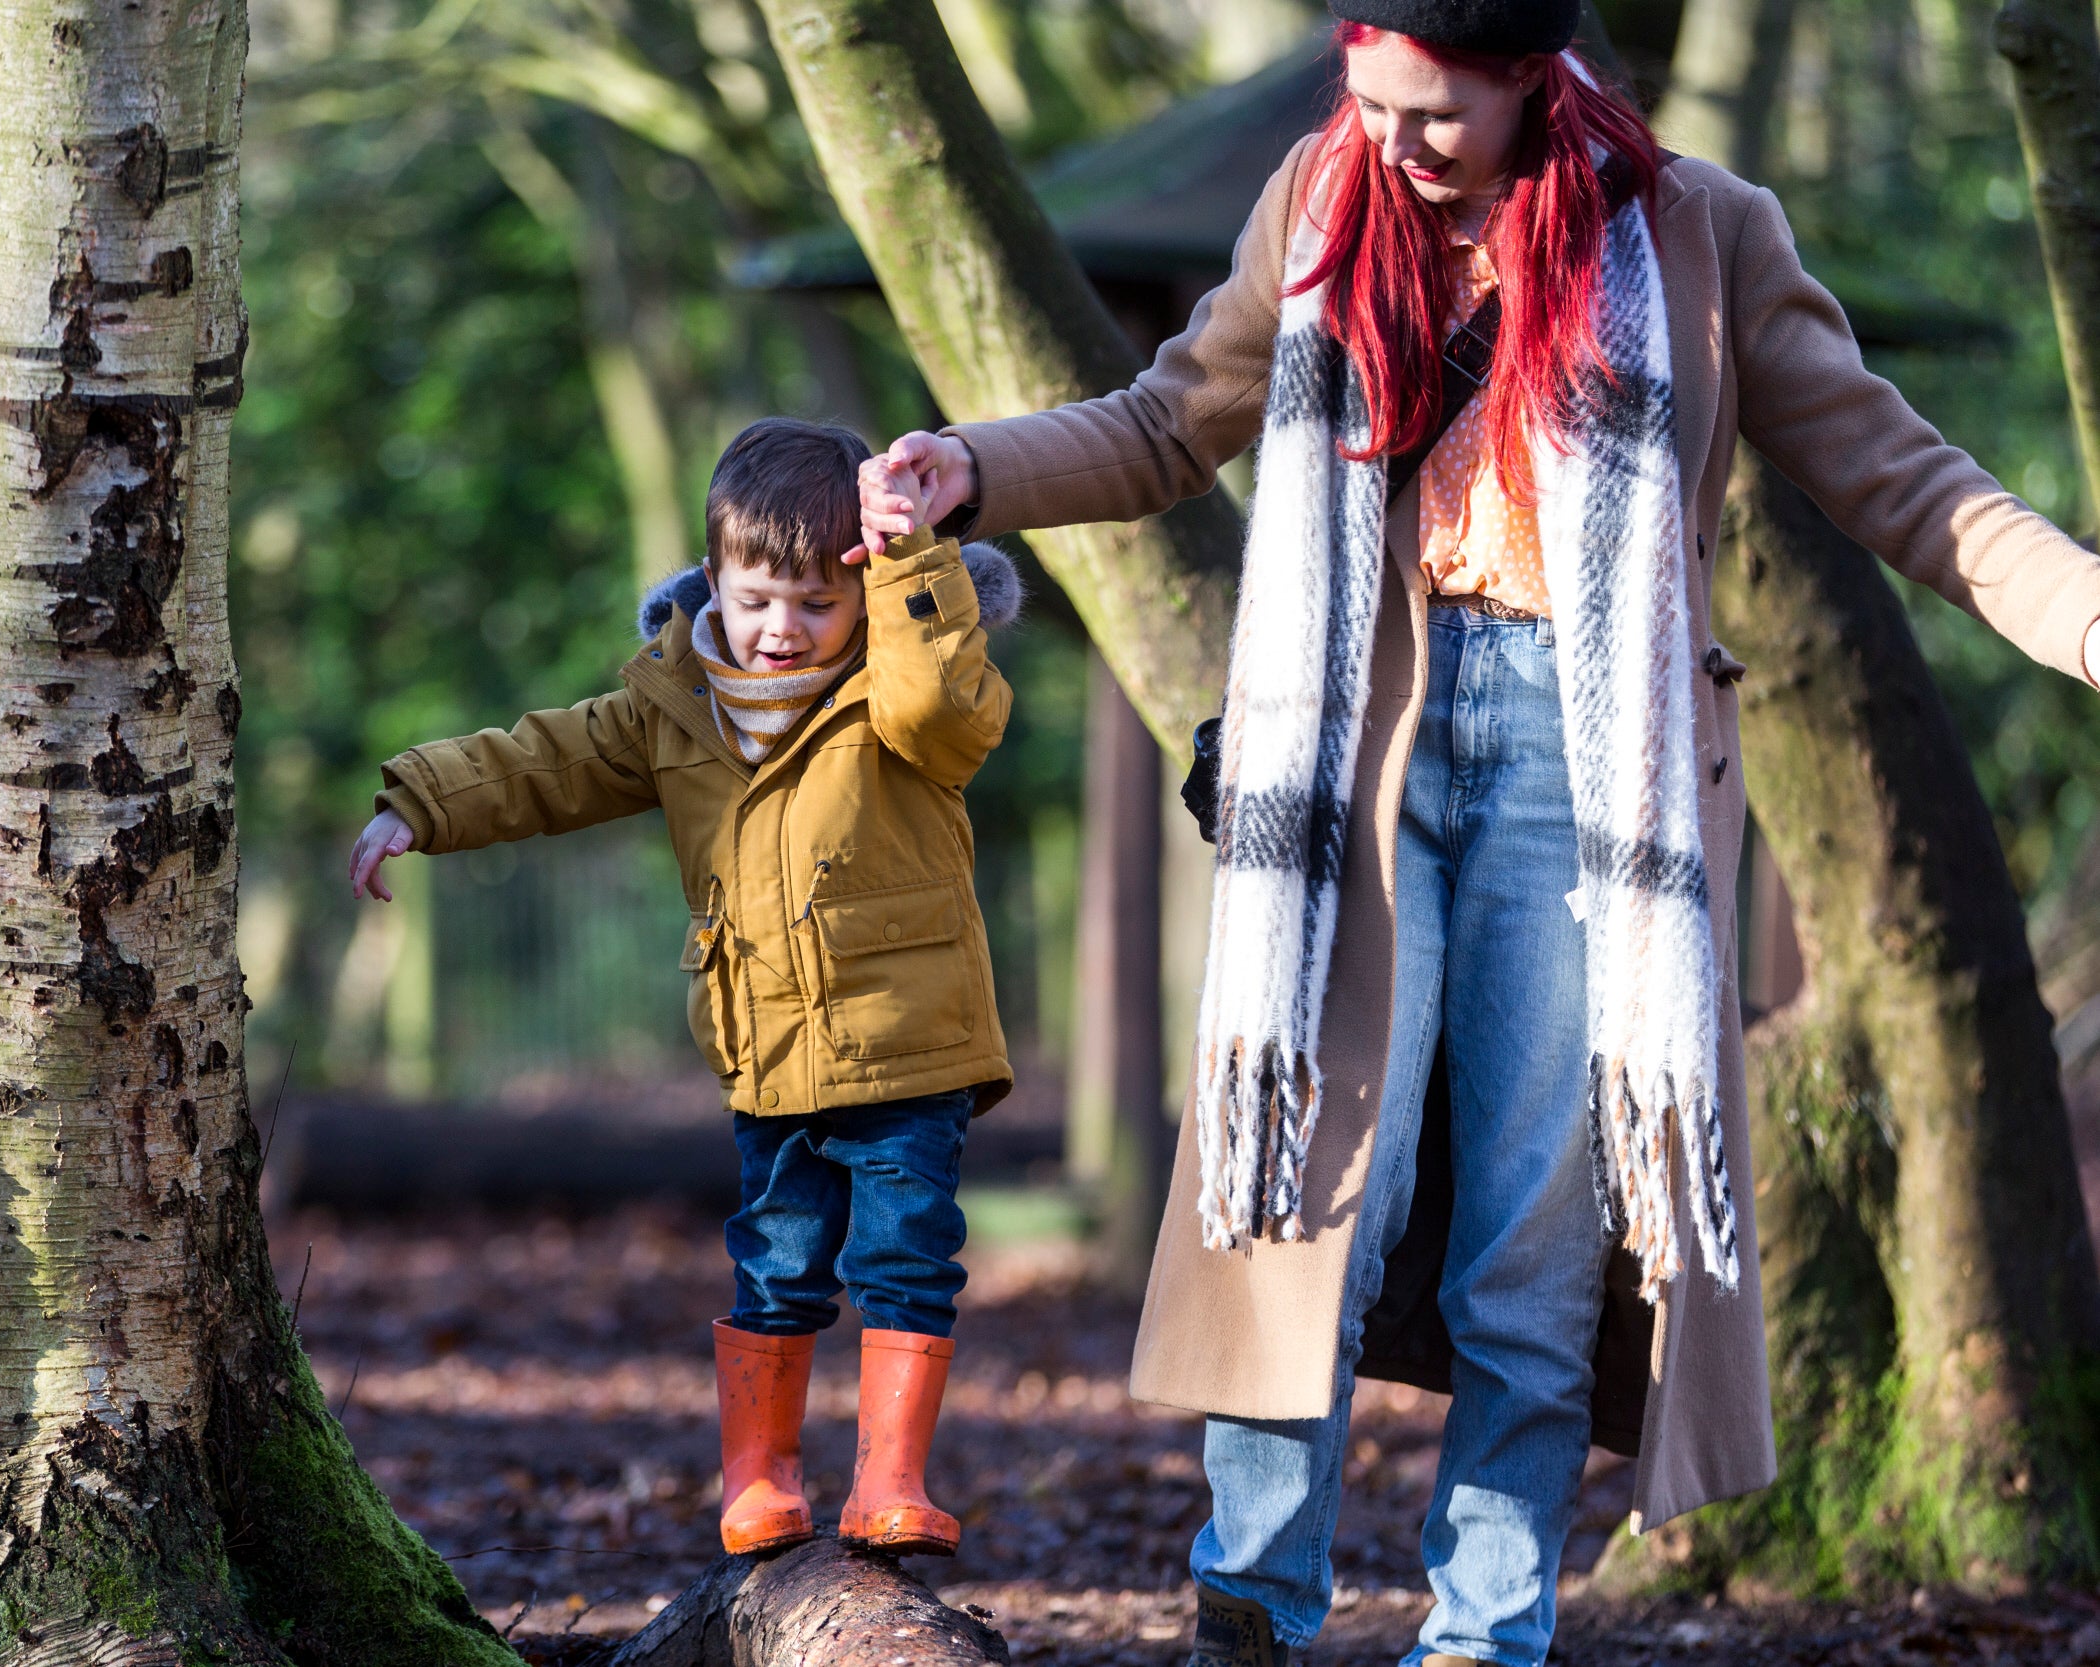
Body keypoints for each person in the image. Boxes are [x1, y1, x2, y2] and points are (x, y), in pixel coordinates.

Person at [857, 2, 2100, 1661]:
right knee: (1307, 1182)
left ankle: (1488, 1630)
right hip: (1356, 747)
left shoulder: (1698, 232)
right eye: (1371, 104)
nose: (1397, 143)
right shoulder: (1322, 198)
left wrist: (2081, 610)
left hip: (1597, 774)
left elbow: (1905, 478)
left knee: (1536, 1236)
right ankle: (1256, 1584)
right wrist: (970, 467)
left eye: (1435, 115)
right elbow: (1170, 422)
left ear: (1533, 84)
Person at [351, 417, 1023, 1558]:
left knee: (906, 1254)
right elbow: (547, 761)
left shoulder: (903, 677)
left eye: (816, 603)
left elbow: (943, 718)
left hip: (912, 1047)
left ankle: (891, 1481)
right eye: (758, 598)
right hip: (766, 1051)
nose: (781, 628)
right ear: (714, 578)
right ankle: (760, 1480)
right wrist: (418, 802)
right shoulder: (675, 705)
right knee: (776, 1260)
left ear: (861, 590)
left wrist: (913, 559)